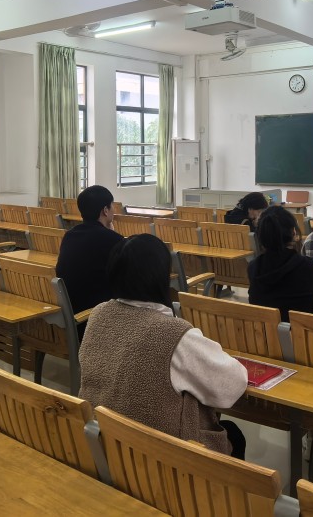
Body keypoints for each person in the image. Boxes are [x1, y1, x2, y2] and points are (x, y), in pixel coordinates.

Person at [79, 234, 248, 458]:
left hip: (104, 444)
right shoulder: (172, 334)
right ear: (160, 277)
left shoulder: (99, 313)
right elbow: (232, 386)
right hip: (160, 458)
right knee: (233, 434)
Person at [248, 206, 313, 322]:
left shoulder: (253, 267)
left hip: (265, 331)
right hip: (302, 332)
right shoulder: (308, 267)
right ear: (293, 231)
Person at [55, 185, 124, 315]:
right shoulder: (112, 239)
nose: (114, 210)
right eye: (112, 205)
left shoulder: (70, 235)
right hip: (97, 314)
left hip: (74, 308)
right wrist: (112, 234)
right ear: (105, 210)